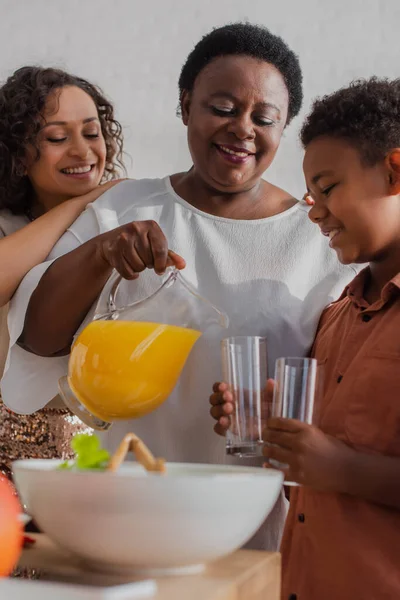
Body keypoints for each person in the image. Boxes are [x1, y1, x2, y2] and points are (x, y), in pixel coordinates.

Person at [2, 24, 356, 550]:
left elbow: (349, 391)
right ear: (186, 104)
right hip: (123, 521)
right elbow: (38, 340)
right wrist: (101, 253)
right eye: (222, 107)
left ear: (284, 128)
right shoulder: (121, 209)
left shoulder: (320, 239)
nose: (243, 130)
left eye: (264, 118)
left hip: (258, 532)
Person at [214, 77, 400, 598]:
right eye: (310, 195)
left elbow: (338, 462)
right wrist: (273, 418)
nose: (314, 211)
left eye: (329, 187)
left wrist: (342, 470)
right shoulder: (339, 314)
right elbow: (340, 432)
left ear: (394, 172)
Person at [0, 66, 125, 479]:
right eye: (57, 137)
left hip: (93, 451)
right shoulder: (7, 227)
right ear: (16, 152)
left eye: (92, 133)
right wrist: (78, 205)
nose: (82, 151)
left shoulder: (123, 224)